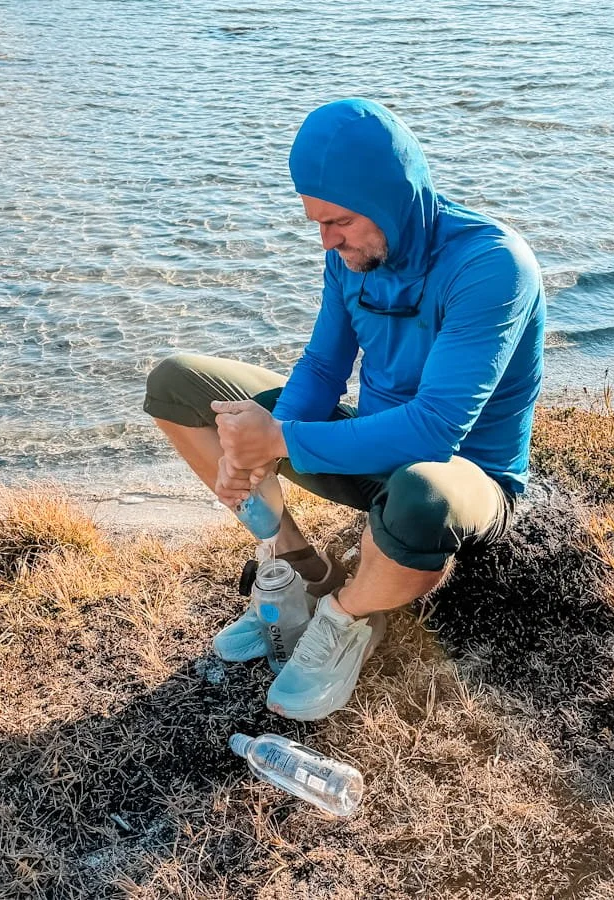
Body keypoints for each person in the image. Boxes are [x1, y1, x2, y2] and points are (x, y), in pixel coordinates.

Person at [144, 98, 545, 721]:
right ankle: (302, 572)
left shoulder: (492, 267)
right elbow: (325, 368)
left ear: (392, 199)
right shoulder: (350, 255)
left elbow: (436, 430)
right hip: (368, 444)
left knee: (419, 492)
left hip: (461, 477)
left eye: (340, 223)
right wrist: (255, 447)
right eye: (317, 223)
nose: (328, 241)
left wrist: (278, 441)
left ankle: (347, 616)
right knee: (179, 385)